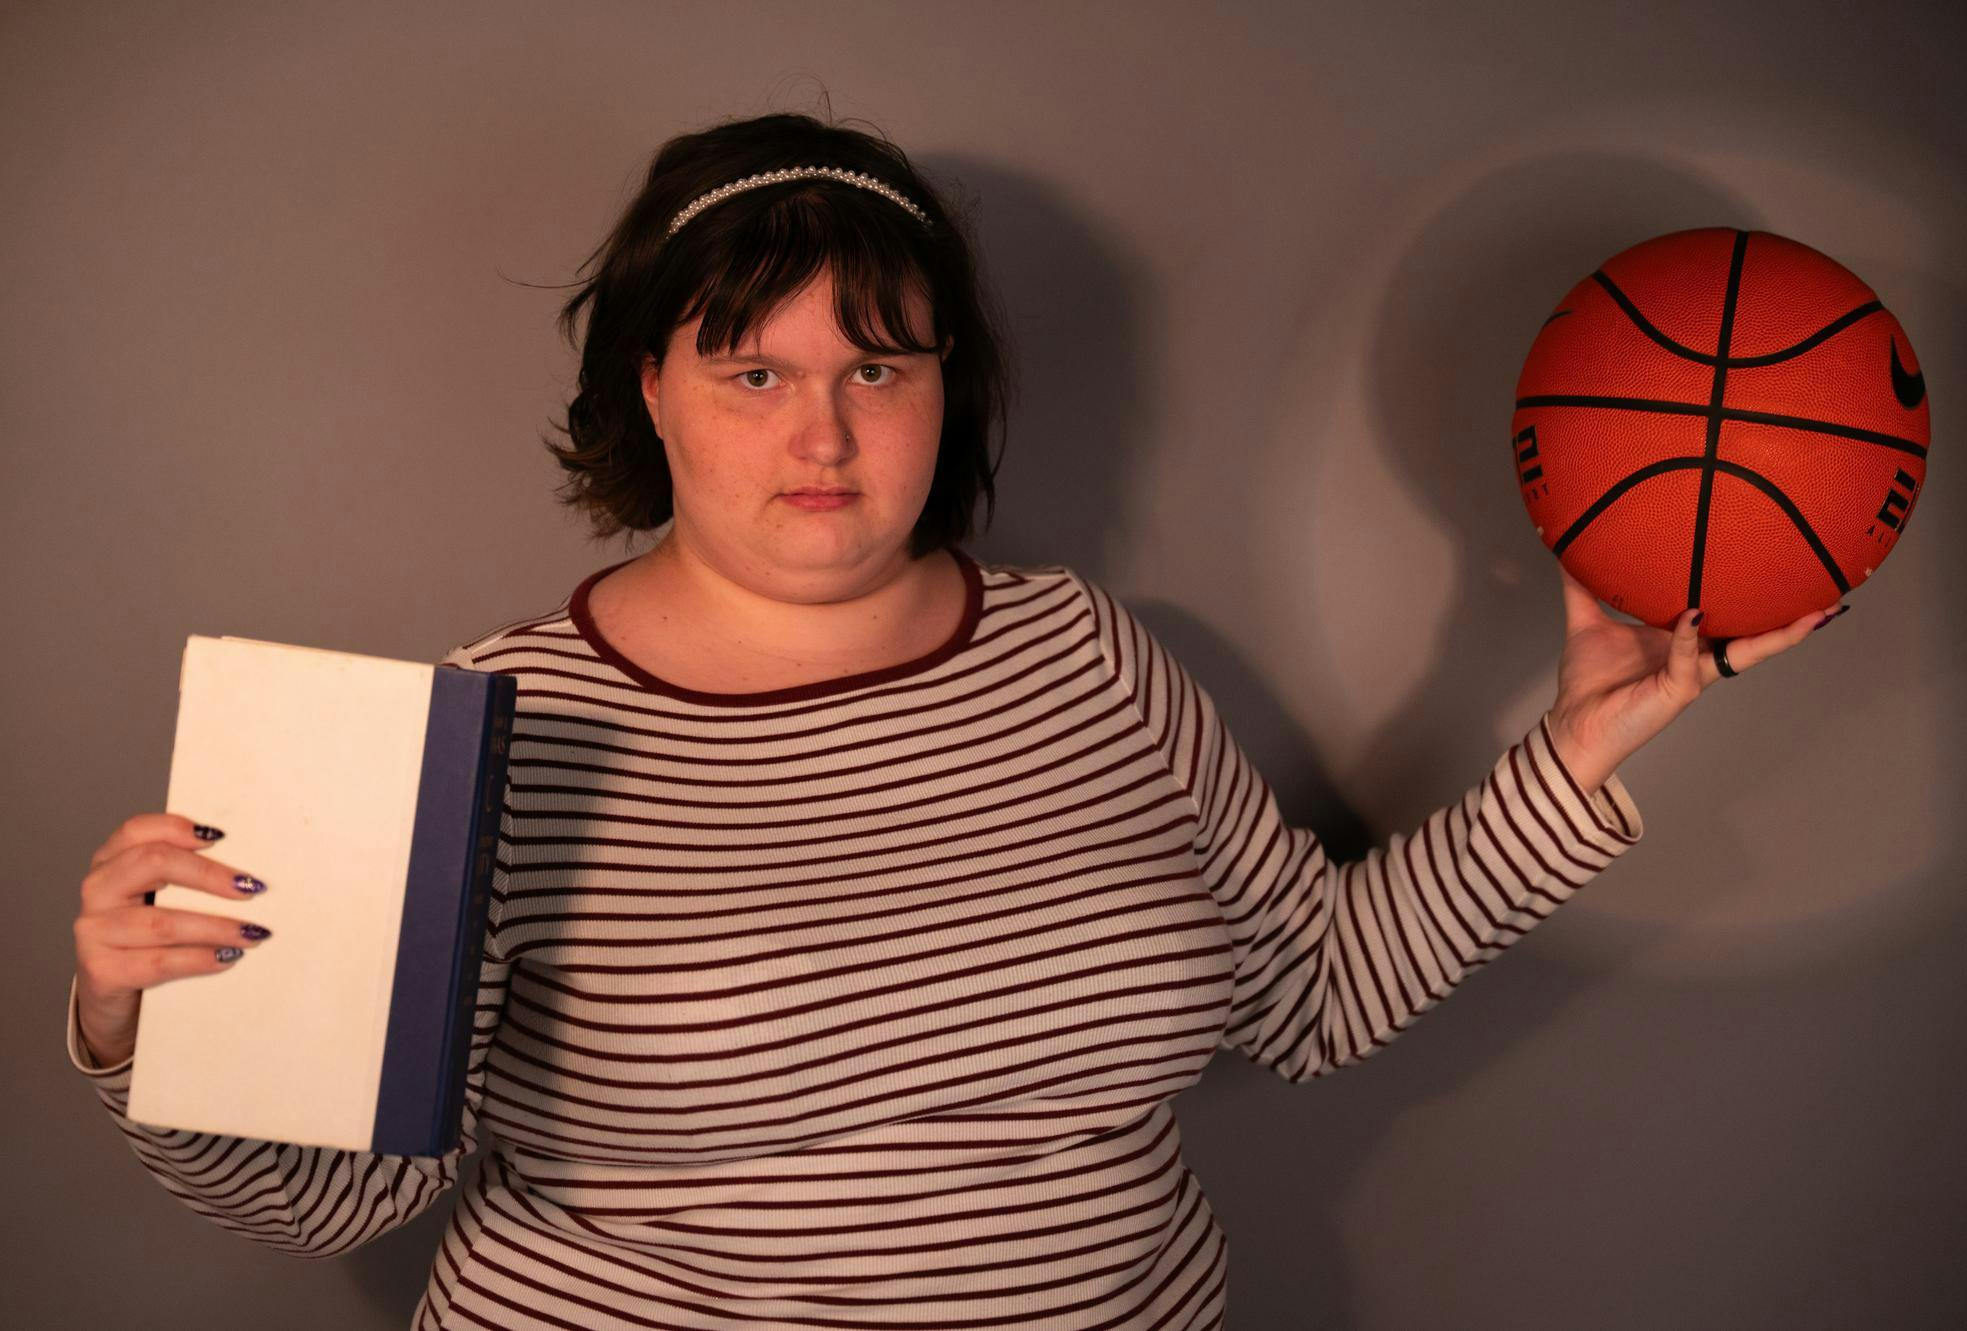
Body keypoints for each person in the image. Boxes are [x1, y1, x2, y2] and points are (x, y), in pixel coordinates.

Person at [66, 109, 1844, 1330]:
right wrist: (143, 1024)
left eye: (878, 369)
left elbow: (1308, 998)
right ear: (650, 392)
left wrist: (1582, 743)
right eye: (754, 371)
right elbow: (339, 1203)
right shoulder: (488, 725)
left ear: (946, 393)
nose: (822, 434)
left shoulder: (1086, 654)